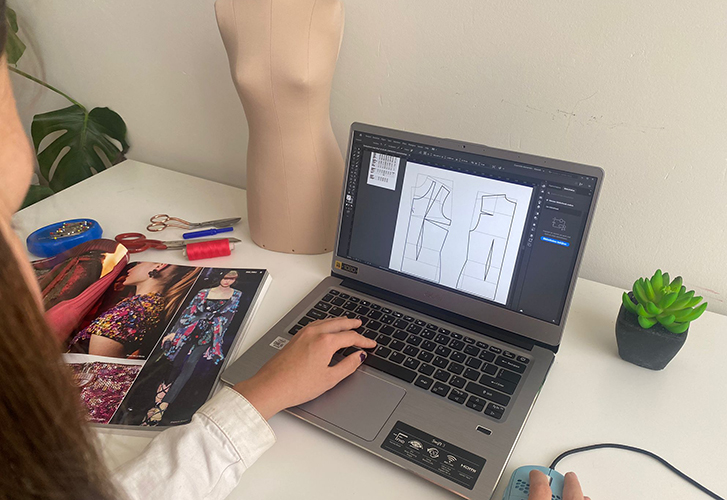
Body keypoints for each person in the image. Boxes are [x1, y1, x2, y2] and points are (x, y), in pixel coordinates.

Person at [0, 5, 588, 499]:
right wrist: (262, 395)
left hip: (312, 196)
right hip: (264, 194)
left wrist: (260, 396)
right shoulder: (229, 7)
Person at [143, 270, 243, 425]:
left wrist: (217, 340)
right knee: (175, 363)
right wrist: (174, 332)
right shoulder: (204, 292)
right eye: (225, 277)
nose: (227, 281)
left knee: (190, 365)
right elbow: (188, 312)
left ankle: (163, 406)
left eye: (231, 279)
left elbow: (228, 318)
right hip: (190, 329)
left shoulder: (236, 294)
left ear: (235, 280)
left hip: (210, 333)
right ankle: (157, 400)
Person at [68, 262, 201, 358]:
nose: (131, 269)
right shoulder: (154, 307)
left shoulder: (131, 311)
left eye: (138, 263)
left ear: (160, 266)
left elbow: (99, 366)